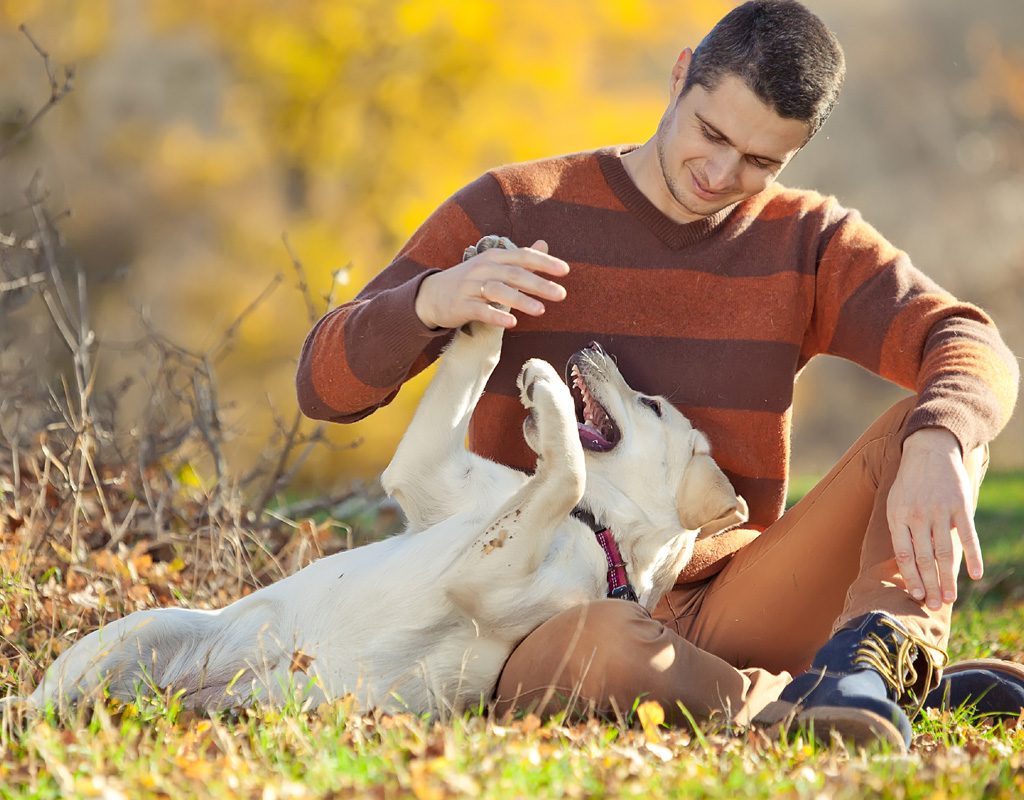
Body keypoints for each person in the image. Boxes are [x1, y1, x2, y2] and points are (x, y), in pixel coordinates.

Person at [296, 1, 1022, 748]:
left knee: (936, 425)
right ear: (680, 77)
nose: (721, 174)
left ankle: (876, 666)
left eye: (761, 162)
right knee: (609, 643)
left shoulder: (806, 240)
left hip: (732, 600)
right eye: (712, 134)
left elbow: (968, 339)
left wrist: (940, 440)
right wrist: (429, 302)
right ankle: (798, 704)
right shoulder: (517, 206)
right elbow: (323, 388)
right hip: (540, 614)